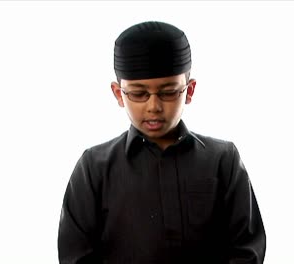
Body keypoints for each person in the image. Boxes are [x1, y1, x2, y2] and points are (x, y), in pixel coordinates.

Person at [58, 21, 266, 264]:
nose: (153, 106)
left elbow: (246, 249)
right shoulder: (93, 167)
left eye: (168, 92)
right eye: (138, 94)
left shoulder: (223, 159)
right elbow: (76, 255)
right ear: (118, 94)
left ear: (189, 90)